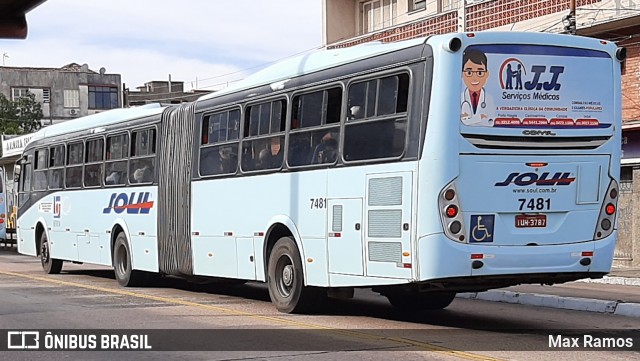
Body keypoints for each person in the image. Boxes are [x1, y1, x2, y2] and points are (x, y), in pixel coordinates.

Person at [460, 50, 494, 126]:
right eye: (469, 73)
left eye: (480, 73)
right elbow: (463, 121)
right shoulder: (459, 98)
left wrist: (471, 120)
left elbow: (491, 123)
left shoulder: (490, 99)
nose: (474, 78)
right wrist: (479, 118)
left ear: (486, 74)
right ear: (462, 74)